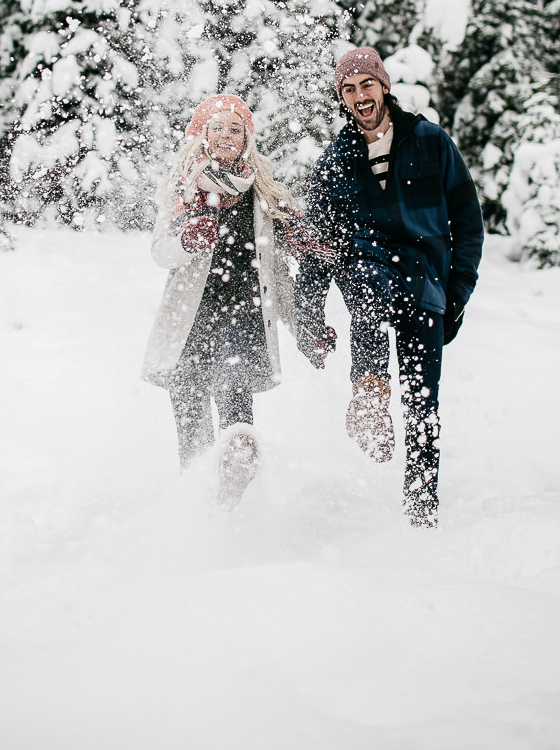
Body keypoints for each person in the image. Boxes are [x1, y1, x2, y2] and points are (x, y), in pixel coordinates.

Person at [295, 47, 484, 527]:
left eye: (366, 85)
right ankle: (371, 392)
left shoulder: (431, 142)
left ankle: (422, 513)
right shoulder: (336, 161)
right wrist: (309, 317)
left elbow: (468, 223)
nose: (360, 97)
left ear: (384, 87)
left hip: (425, 285)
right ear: (342, 100)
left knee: (424, 403)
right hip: (367, 276)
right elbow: (319, 246)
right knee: (366, 278)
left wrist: (456, 295)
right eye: (349, 90)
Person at [143, 93, 299, 507]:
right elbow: (161, 251)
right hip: (191, 325)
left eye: (236, 129)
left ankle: (238, 507)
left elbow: (277, 275)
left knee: (237, 432)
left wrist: (306, 329)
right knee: (193, 429)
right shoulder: (184, 187)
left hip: (243, 322)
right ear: (203, 135)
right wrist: (187, 240)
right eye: (218, 128)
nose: (227, 135)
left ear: (246, 138)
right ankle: (196, 510)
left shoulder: (261, 195)